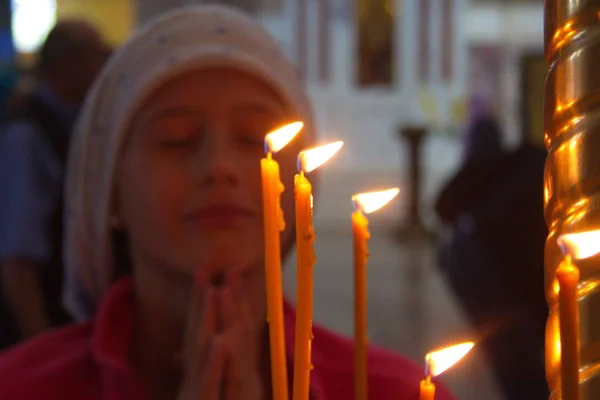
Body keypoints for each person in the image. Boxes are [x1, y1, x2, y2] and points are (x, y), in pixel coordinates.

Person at [0, 6, 455, 400]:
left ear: (303, 185)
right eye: (176, 141)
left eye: (257, 139)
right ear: (108, 189)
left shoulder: (396, 391)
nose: (221, 166)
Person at [0, 20, 111, 348]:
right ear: (66, 64)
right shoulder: (28, 135)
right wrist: (41, 344)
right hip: (42, 329)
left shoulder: (72, 126)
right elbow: (18, 257)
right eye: (97, 55)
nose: (105, 65)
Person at [435, 115, 548, 399]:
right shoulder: (527, 166)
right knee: (510, 347)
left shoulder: (524, 161)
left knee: (515, 344)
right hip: (477, 259)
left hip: (475, 250)